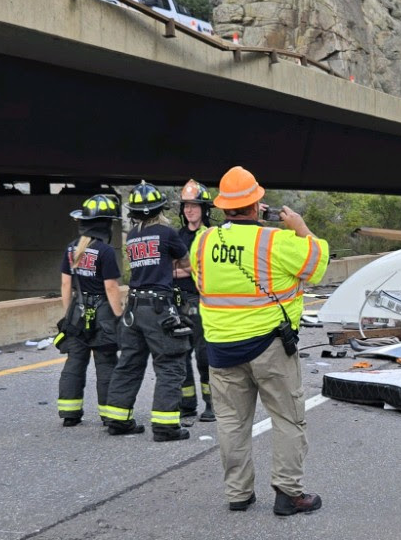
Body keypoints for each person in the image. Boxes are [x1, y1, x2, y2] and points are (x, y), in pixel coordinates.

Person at [190, 167, 328, 515]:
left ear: (222, 208)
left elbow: (200, 281)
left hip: (220, 348)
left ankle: (238, 494)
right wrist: (300, 228)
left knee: (232, 424)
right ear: (255, 204)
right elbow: (317, 264)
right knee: (287, 419)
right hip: (269, 347)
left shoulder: (202, 242)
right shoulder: (276, 242)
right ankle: (288, 494)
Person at [103, 183, 192, 443]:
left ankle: (118, 419)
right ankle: (165, 426)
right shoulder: (167, 233)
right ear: (159, 208)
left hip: (134, 308)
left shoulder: (132, 237)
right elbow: (186, 263)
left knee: (129, 363)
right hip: (158, 308)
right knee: (170, 364)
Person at [56, 192, 128, 430]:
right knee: (106, 363)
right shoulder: (105, 252)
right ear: (106, 224)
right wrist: (119, 317)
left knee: (74, 362)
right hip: (103, 316)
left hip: (77, 313)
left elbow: (66, 284)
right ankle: (109, 415)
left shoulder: (70, 249)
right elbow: (111, 287)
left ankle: (70, 413)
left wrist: (68, 315)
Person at [174, 180, 218, 424]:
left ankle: (211, 403)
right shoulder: (178, 236)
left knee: (203, 355)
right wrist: (187, 268)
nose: (189, 210)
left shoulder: (210, 235)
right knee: (181, 354)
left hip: (201, 301)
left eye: (194, 206)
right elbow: (176, 266)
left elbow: (199, 268)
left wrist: (186, 268)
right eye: (186, 206)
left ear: (204, 209)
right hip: (179, 300)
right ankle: (187, 403)